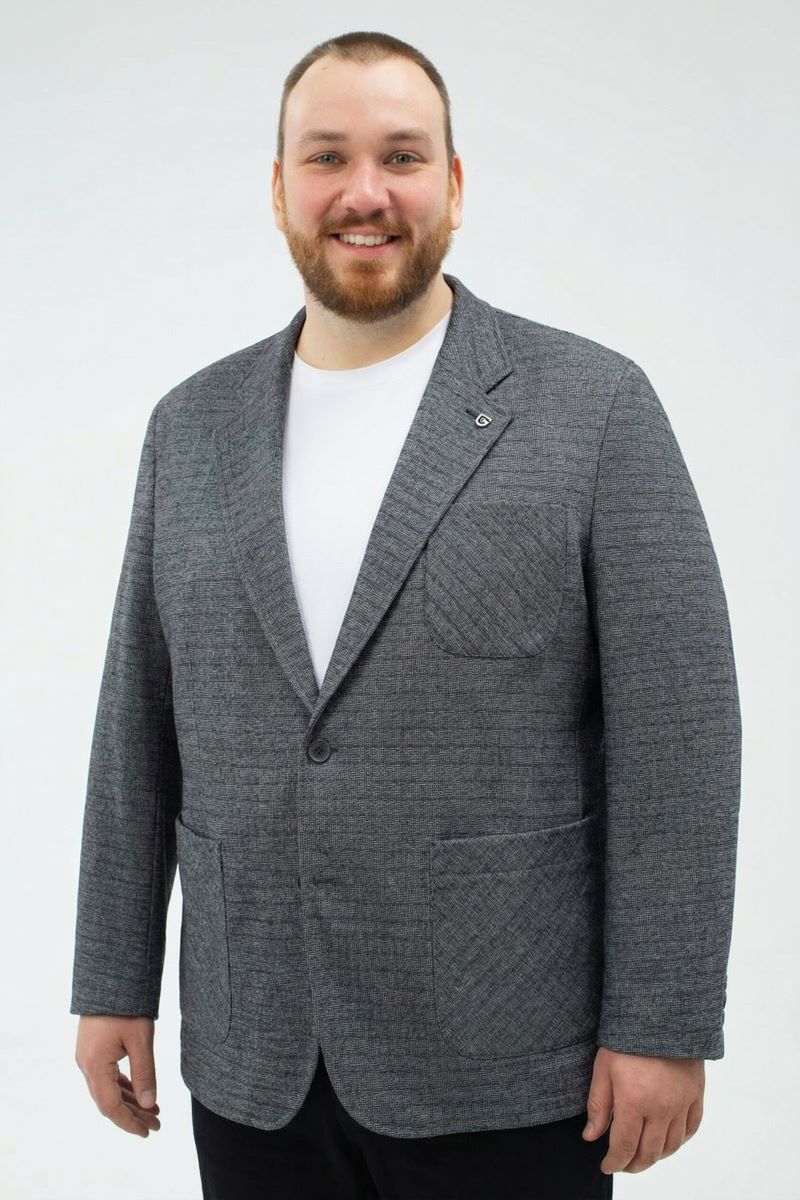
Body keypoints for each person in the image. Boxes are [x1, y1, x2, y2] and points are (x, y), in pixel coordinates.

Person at [71, 29, 742, 1200]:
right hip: (254, 1053)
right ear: (279, 188)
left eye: (401, 155)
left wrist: (662, 1017)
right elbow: (137, 724)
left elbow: (677, 736)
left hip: (508, 1057)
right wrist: (110, 979)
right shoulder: (191, 429)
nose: (364, 192)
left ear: (454, 184)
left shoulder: (590, 408)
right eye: (326, 157)